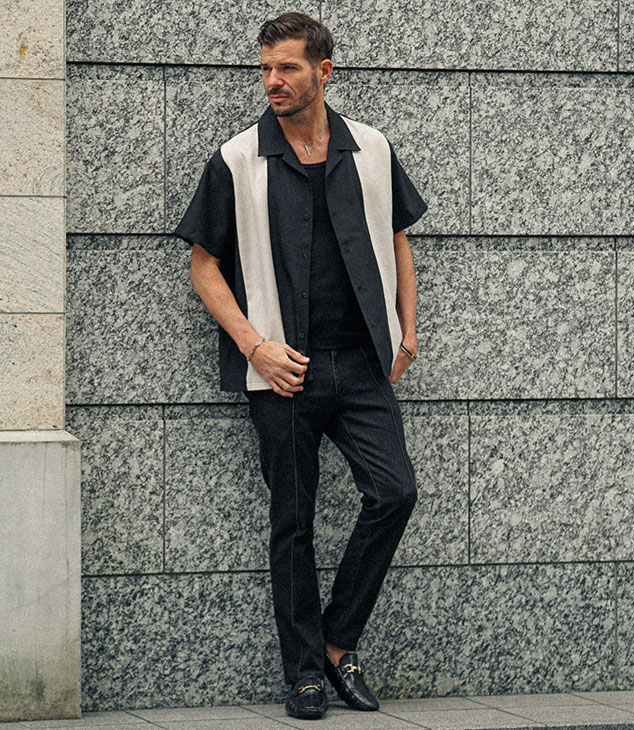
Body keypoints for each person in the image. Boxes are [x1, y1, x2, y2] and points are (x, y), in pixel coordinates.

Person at [173, 11, 427, 721]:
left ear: (324, 71)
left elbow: (398, 240)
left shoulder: (371, 148)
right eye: (264, 68)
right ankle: (305, 674)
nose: (272, 81)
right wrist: (255, 346)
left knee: (395, 493)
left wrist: (407, 335)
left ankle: (339, 644)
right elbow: (203, 266)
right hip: (282, 372)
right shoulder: (236, 159)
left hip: (363, 364)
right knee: (293, 523)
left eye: (286, 67)